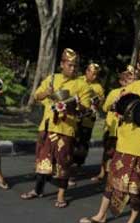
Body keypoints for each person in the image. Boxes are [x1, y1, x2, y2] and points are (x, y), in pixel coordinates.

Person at [79, 48, 140, 223]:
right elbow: (117, 109)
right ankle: (101, 215)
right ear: (139, 67)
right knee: (112, 182)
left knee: (137, 189)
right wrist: (119, 107)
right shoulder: (130, 88)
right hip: (125, 143)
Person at [20, 48, 91, 208]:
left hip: (66, 130)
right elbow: (37, 96)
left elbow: (86, 110)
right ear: (62, 64)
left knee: (63, 163)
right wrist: (47, 92)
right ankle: (38, 190)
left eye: (75, 66)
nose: (72, 68)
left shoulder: (82, 85)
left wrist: (77, 104)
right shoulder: (52, 79)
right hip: (47, 126)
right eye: (70, 65)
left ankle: (61, 195)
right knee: (42, 161)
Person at [91, 65, 135, 182]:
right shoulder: (114, 92)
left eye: (133, 79)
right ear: (122, 81)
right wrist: (114, 105)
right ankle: (102, 173)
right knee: (108, 152)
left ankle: (115, 175)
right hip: (112, 128)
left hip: (126, 129)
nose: (130, 82)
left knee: (121, 154)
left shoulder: (136, 93)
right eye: (128, 80)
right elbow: (105, 108)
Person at [70, 63, 105, 186]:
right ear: (86, 71)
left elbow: (100, 103)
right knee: (70, 142)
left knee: (82, 145)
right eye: (91, 72)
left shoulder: (99, 88)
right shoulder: (77, 80)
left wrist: (96, 104)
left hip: (88, 119)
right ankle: (63, 168)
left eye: (96, 74)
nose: (93, 76)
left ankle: (75, 170)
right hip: (74, 117)